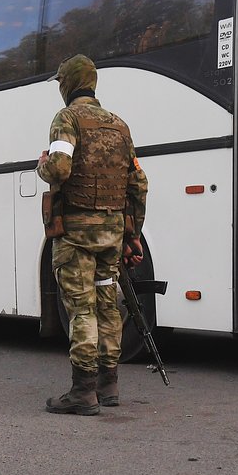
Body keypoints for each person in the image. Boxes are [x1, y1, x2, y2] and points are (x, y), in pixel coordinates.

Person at [37, 54, 149, 416]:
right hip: (112, 233)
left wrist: (41, 164)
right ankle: (109, 385)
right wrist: (134, 234)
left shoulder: (66, 119)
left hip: (76, 235)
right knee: (107, 304)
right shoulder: (120, 125)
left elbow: (59, 167)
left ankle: (83, 391)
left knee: (81, 308)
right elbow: (138, 183)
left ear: (68, 83)